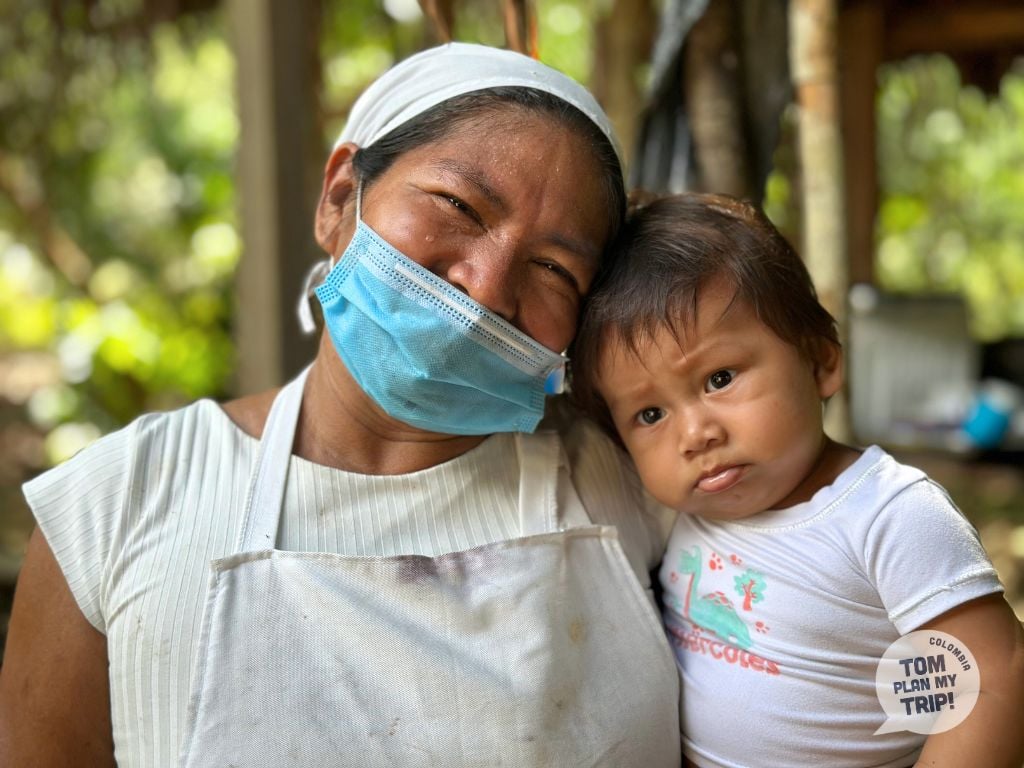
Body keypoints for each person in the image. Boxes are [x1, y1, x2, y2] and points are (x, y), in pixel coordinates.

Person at [0, 44, 682, 767]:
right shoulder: (118, 506)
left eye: (553, 267)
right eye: (457, 206)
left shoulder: (643, 486)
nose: (485, 288)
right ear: (338, 199)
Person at [570, 192, 1024, 768]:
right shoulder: (681, 514)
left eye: (720, 378)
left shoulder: (886, 514)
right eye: (650, 415)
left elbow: (989, 681)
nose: (694, 434)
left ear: (820, 361)